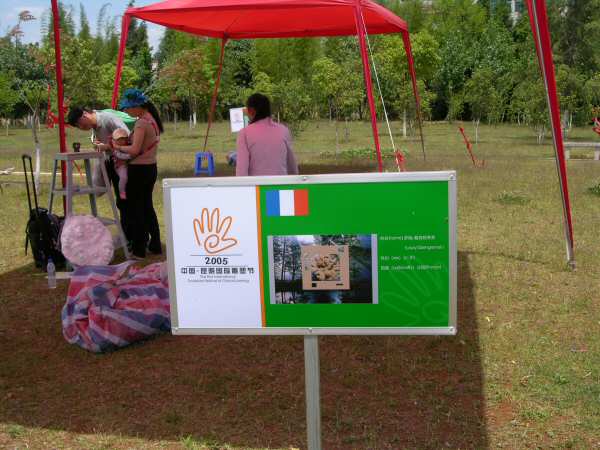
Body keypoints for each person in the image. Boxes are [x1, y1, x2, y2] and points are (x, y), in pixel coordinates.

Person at [113, 88, 163, 258]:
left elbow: (134, 150)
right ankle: (155, 244)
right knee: (147, 208)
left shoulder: (141, 123)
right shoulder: (152, 120)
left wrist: (117, 147)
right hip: (150, 168)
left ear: (137, 106)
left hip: (139, 170)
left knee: (137, 210)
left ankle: (139, 249)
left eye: (127, 108)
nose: (126, 111)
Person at [67, 107, 130, 236]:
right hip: (111, 162)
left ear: (85, 114)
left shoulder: (108, 119)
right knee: (120, 202)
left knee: (127, 202)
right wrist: (99, 145)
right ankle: (127, 236)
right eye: (78, 127)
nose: (81, 127)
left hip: (124, 164)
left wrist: (107, 146)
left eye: (80, 123)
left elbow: (128, 137)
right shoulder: (95, 128)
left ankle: (138, 239)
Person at [236, 93, 299, 176]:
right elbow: (292, 165)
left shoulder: (244, 133)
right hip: (281, 185)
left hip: (257, 187)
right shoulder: (283, 130)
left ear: (251, 111)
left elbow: (242, 169)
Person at [111, 128, 132, 200]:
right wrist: (130, 156)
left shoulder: (128, 146)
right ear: (114, 141)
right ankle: (122, 191)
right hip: (120, 166)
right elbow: (120, 156)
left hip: (127, 165)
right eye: (119, 139)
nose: (121, 141)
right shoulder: (116, 149)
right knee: (123, 177)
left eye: (123, 139)